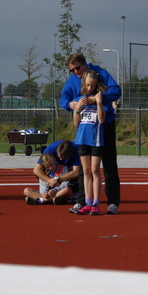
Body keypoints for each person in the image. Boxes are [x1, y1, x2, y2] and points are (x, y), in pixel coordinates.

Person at [60, 53, 121, 215]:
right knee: (83, 168)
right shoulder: (72, 80)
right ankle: (82, 201)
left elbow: (116, 91)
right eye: (71, 70)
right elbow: (63, 98)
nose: (75, 72)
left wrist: (96, 99)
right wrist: (70, 104)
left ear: (84, 64)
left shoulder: (100, 73)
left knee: (108, 165)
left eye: (77, 68)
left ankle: (112, 202)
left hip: (104, 125)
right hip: (85, 129)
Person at [72, 70, 107, 215]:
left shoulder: (99, 98)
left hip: (96, 139)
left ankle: (96, 204)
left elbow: (102, 119)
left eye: (92, 86)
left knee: (94, 170)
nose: (89, 88)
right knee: (85, 171)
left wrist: (98, 103)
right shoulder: (80, 99)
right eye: (87, 85)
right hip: (82, 139)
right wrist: (77, 108)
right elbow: (76, 123)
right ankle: (87, 202)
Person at [24, 140, 80, 205]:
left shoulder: (76, 152)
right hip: (51, 189)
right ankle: (51, 199)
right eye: (59, 157)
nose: (61, 159)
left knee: (67, 190)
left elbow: (76, 172)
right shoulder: (50, 150)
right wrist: (50, 183)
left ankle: (41, 200)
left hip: (61, 186)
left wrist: (56, 183)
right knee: (26, 190)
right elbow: (36, 170)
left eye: (63, 158)